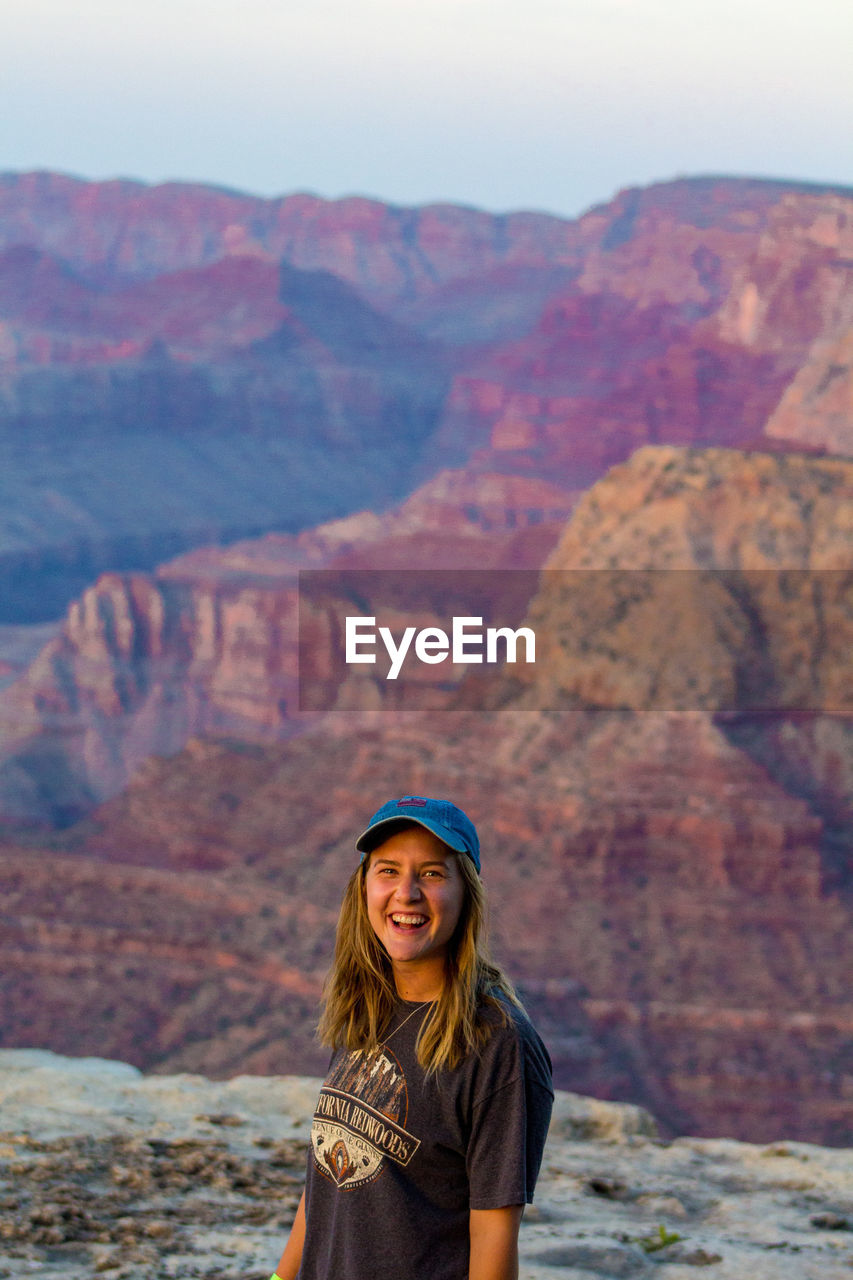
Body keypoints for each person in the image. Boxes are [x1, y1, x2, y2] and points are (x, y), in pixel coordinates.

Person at [269, 794, 554, 1280]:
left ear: (468, 893)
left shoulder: (495, 1043)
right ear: (363, 886)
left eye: (432, 873)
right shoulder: (369, 1005)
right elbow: (326, 1180)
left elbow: (493, 1236)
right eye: (387, 871)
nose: (407, 893)